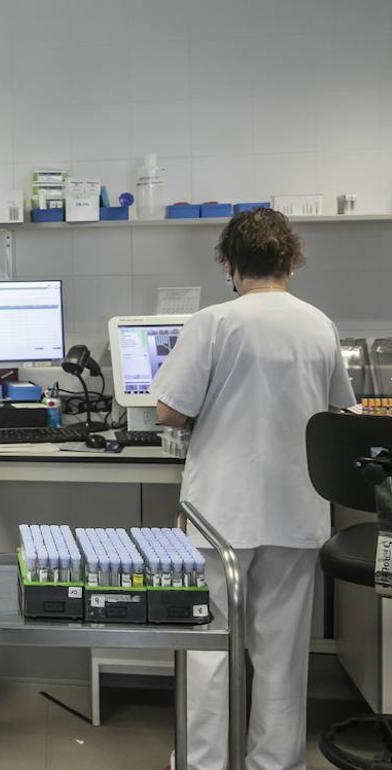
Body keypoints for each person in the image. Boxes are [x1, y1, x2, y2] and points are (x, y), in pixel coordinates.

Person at [151, 208, 357, 770]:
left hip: (221, 514)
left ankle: (204, 763)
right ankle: (275, 764)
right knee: (282, 655)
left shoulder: (216, 322)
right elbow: (342, 410)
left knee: (209, 651)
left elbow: (169, 410)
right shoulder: (319, 323)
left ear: (229, 262)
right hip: (297, 510)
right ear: (290, 258)